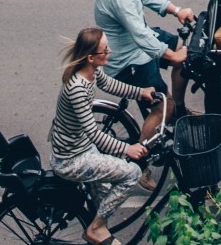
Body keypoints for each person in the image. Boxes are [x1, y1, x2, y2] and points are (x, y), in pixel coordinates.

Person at [49, 27, 155, 245]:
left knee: (103, 195)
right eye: (105, 50)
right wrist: (128, 148)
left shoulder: (92, 71)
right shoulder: (77, 87)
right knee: (132, 173)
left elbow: (109, 84)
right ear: (90, 57)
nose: (110, 52)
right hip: (72, 158)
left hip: (81, 147)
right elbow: (94, 133)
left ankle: (96, 227)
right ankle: (95, 229)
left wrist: (141, 92)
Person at [93, 0, 196, 148]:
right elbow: (140, 33)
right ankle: (141, 162)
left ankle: (177, 110)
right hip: (128, 59)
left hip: (137, 42)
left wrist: (176, 10)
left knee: (183, 50)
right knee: (161, 105)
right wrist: (172, 56)